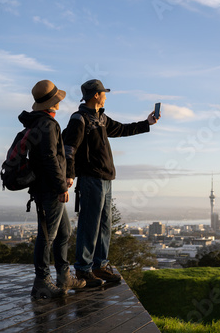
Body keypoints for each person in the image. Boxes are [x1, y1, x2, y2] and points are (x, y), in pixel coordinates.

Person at [63, 79, 158, 287]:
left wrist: (147, 123)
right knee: (89, 224)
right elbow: (69, 148)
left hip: (105, 178)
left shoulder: (101, 118)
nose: (105, 95)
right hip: (90, 178)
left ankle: (100, 266)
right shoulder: (79, 118)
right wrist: (69, 175)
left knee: (104, 225)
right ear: (96, 95)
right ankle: (83, 269)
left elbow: (122, 129)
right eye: (103, 92)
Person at [20, 80, 86, 298]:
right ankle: (42, 281)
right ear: (53, 102)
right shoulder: (48, 124)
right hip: (49, 189)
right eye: (57, 99)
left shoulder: (38, 122)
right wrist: (61, 186)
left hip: (46, 186)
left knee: (63, 232)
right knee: (47, 236)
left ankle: (63, 277)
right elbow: (49, 158)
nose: (60, 102)